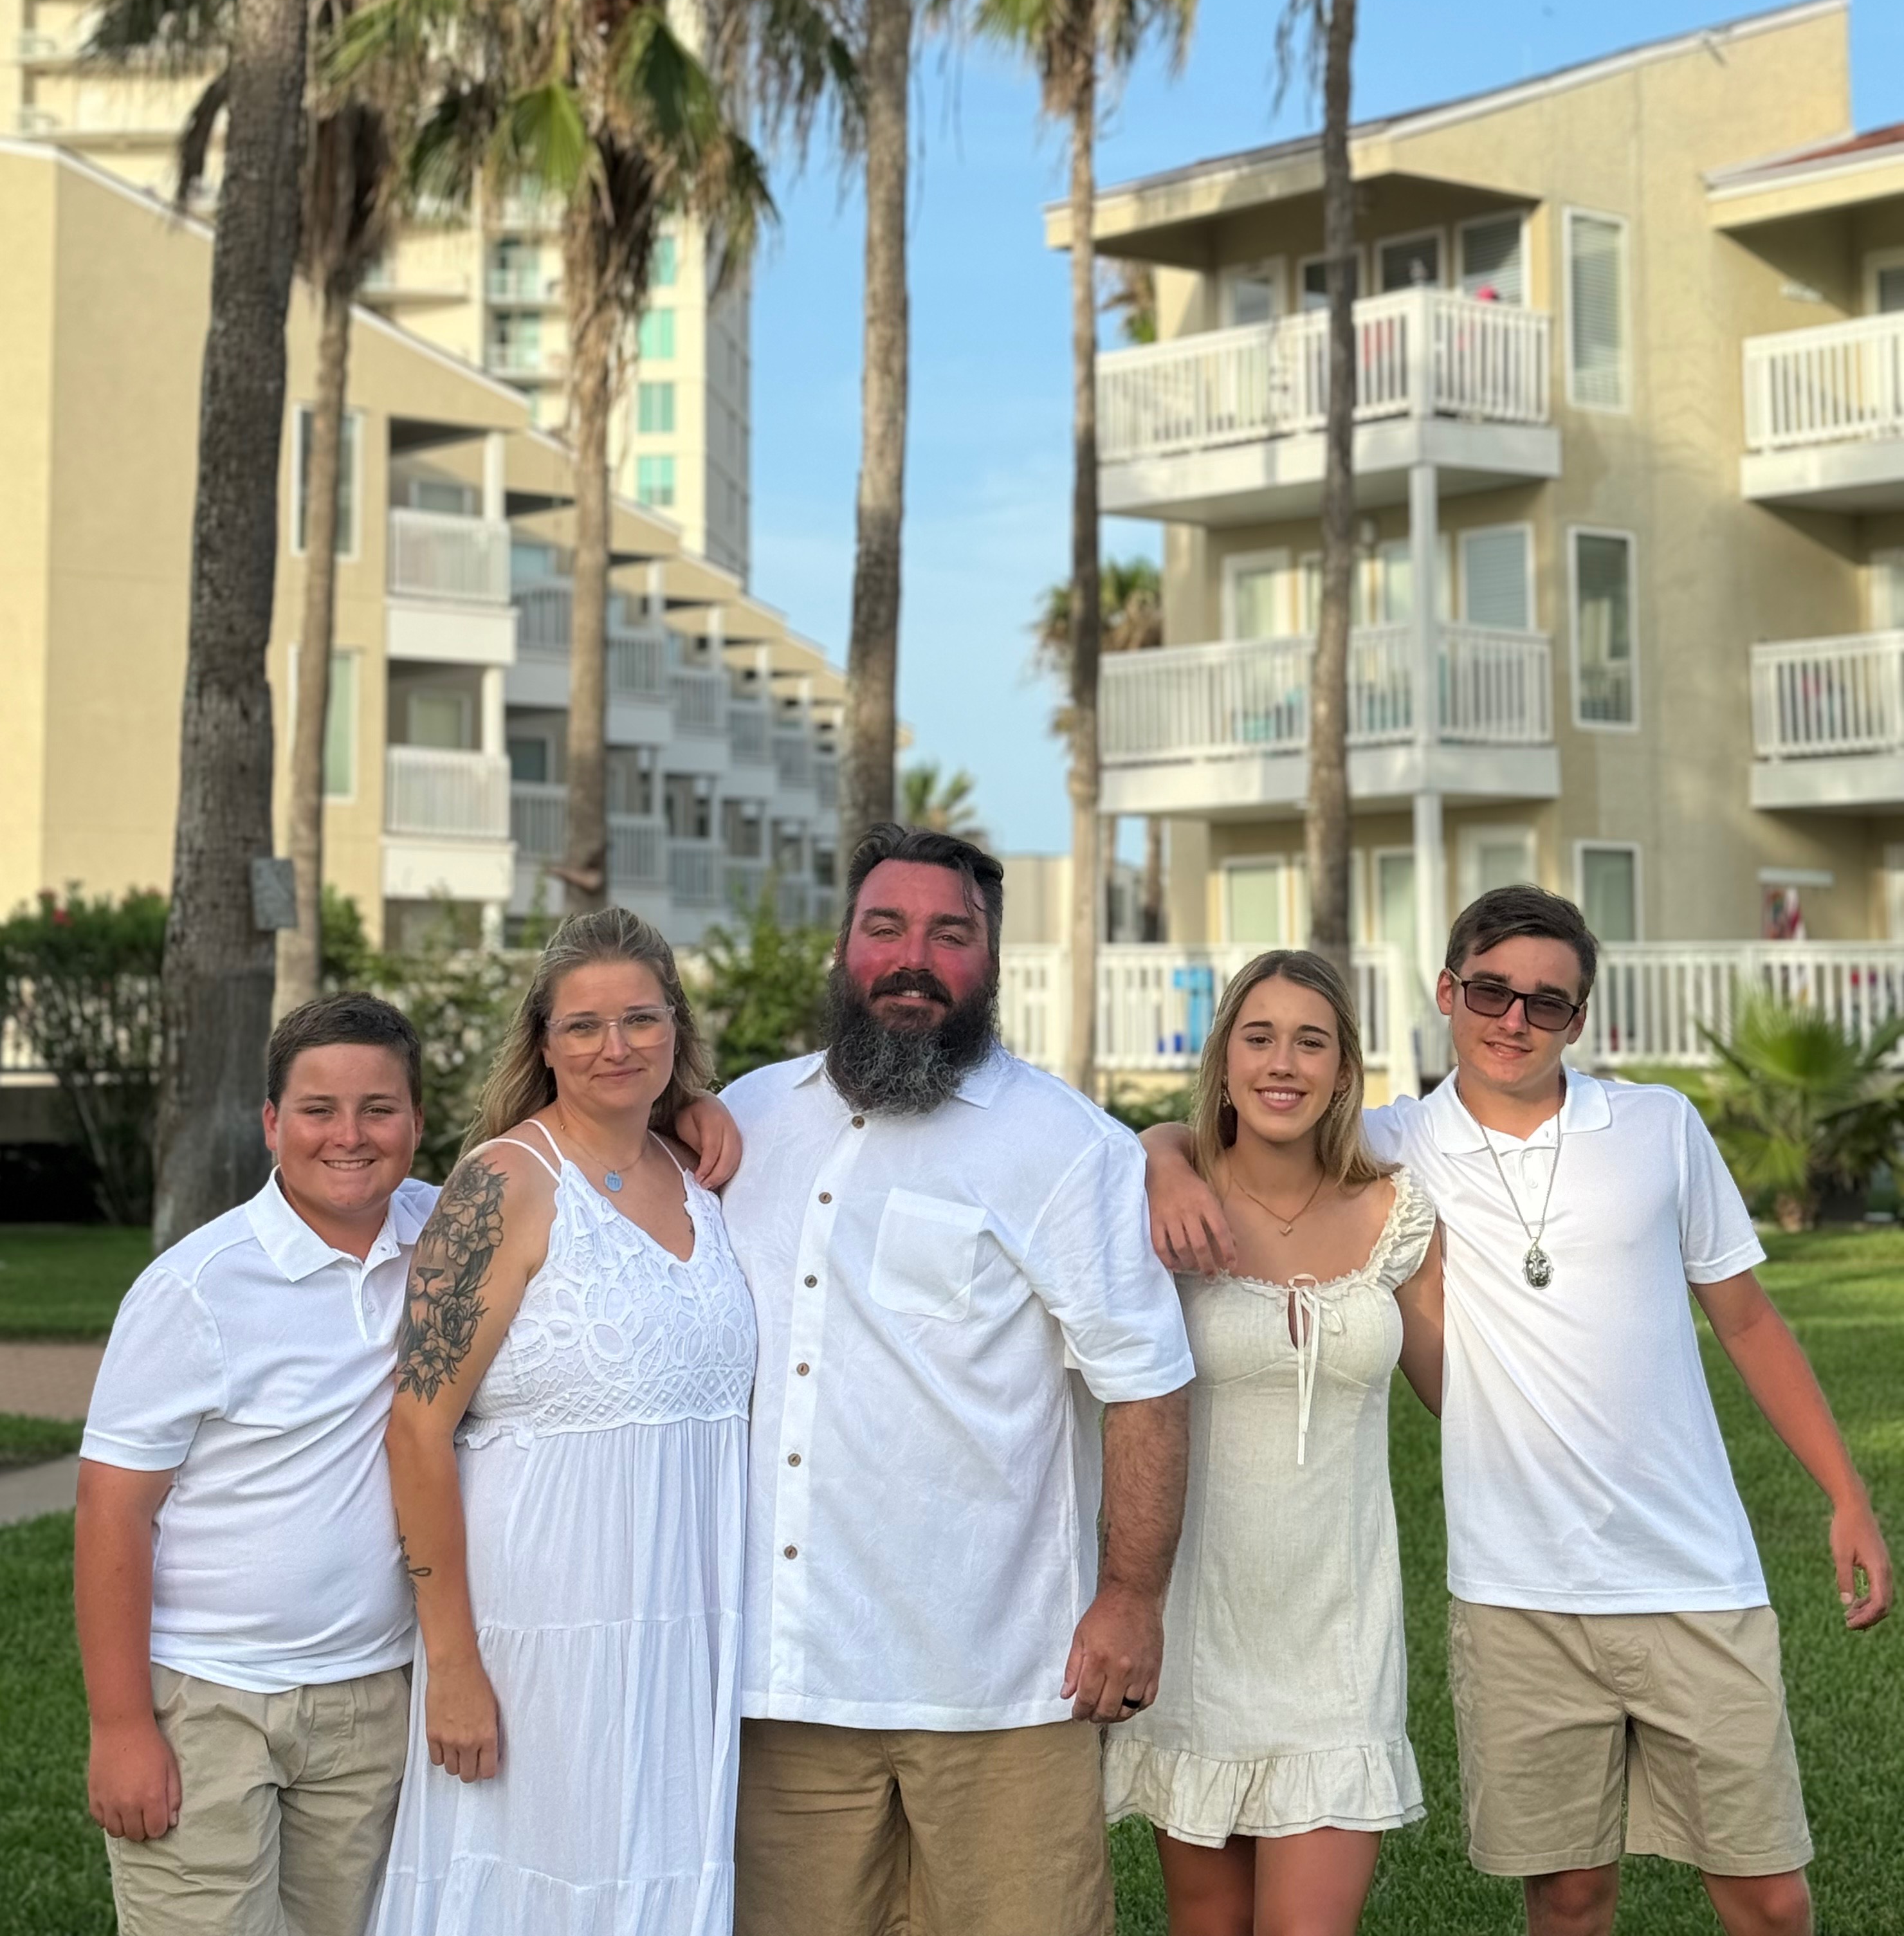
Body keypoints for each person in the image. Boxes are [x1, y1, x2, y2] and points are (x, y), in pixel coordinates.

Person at [1147, 884, 1894, 1936]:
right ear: (1447, 992)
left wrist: (1846, 1494)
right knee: (1569, 1897)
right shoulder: (1395, 1145)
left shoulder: (1659, 1127)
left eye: (1548, 1003)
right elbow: (1233, 1127)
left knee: (1769, 1898)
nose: (1514, 1020)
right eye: (1491, 991)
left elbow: (1750, 1321)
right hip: (1513, 1592)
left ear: (1578, 1020)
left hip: (1692, 1572)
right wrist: (1161, 1157)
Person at [719, 821, 1195, 1936]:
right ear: (844, 945)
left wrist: (1131, 1599)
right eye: (885, 927)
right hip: (782, 1684)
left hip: (1000, 1687)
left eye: (951, 934)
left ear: (992, 961)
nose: (914, 958)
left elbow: (1148, 1386)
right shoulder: (745, 1121)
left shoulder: (1064, 1145)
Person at [373, 907, 757, 1936]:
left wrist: (699, 1109)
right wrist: (454, 1664)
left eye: (641, 1019)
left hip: (685, 1630)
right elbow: (416, 1432)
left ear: (677, 1030)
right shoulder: (503, 1184)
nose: (614, 1046)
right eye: (583, 1025)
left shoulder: (703, 1177)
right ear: (543, 1043)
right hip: (537, 1635)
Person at [76, 993, 435, 1936]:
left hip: (372, 1696)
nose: (349, 1136)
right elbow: (112, 1512)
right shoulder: (196, 1288)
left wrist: (689, 1119)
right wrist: (121, 1727)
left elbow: (579, 1172)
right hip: (207, 1698)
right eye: (318, 1110)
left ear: (417, 1120)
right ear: (272, 1123)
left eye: (379, 1108)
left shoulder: (448, 1240)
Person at [1106, 948, 1443, 1936]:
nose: (1283, 1063)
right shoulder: (1164, 1209)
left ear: (1345, 1071)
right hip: (1200, 1630)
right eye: (1258, 1038)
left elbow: (1464, 1401)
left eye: (1311, 1042)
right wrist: (1163, 1158)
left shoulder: (1399, 1214)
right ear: (1224, 1061)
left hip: (1339, 1638)